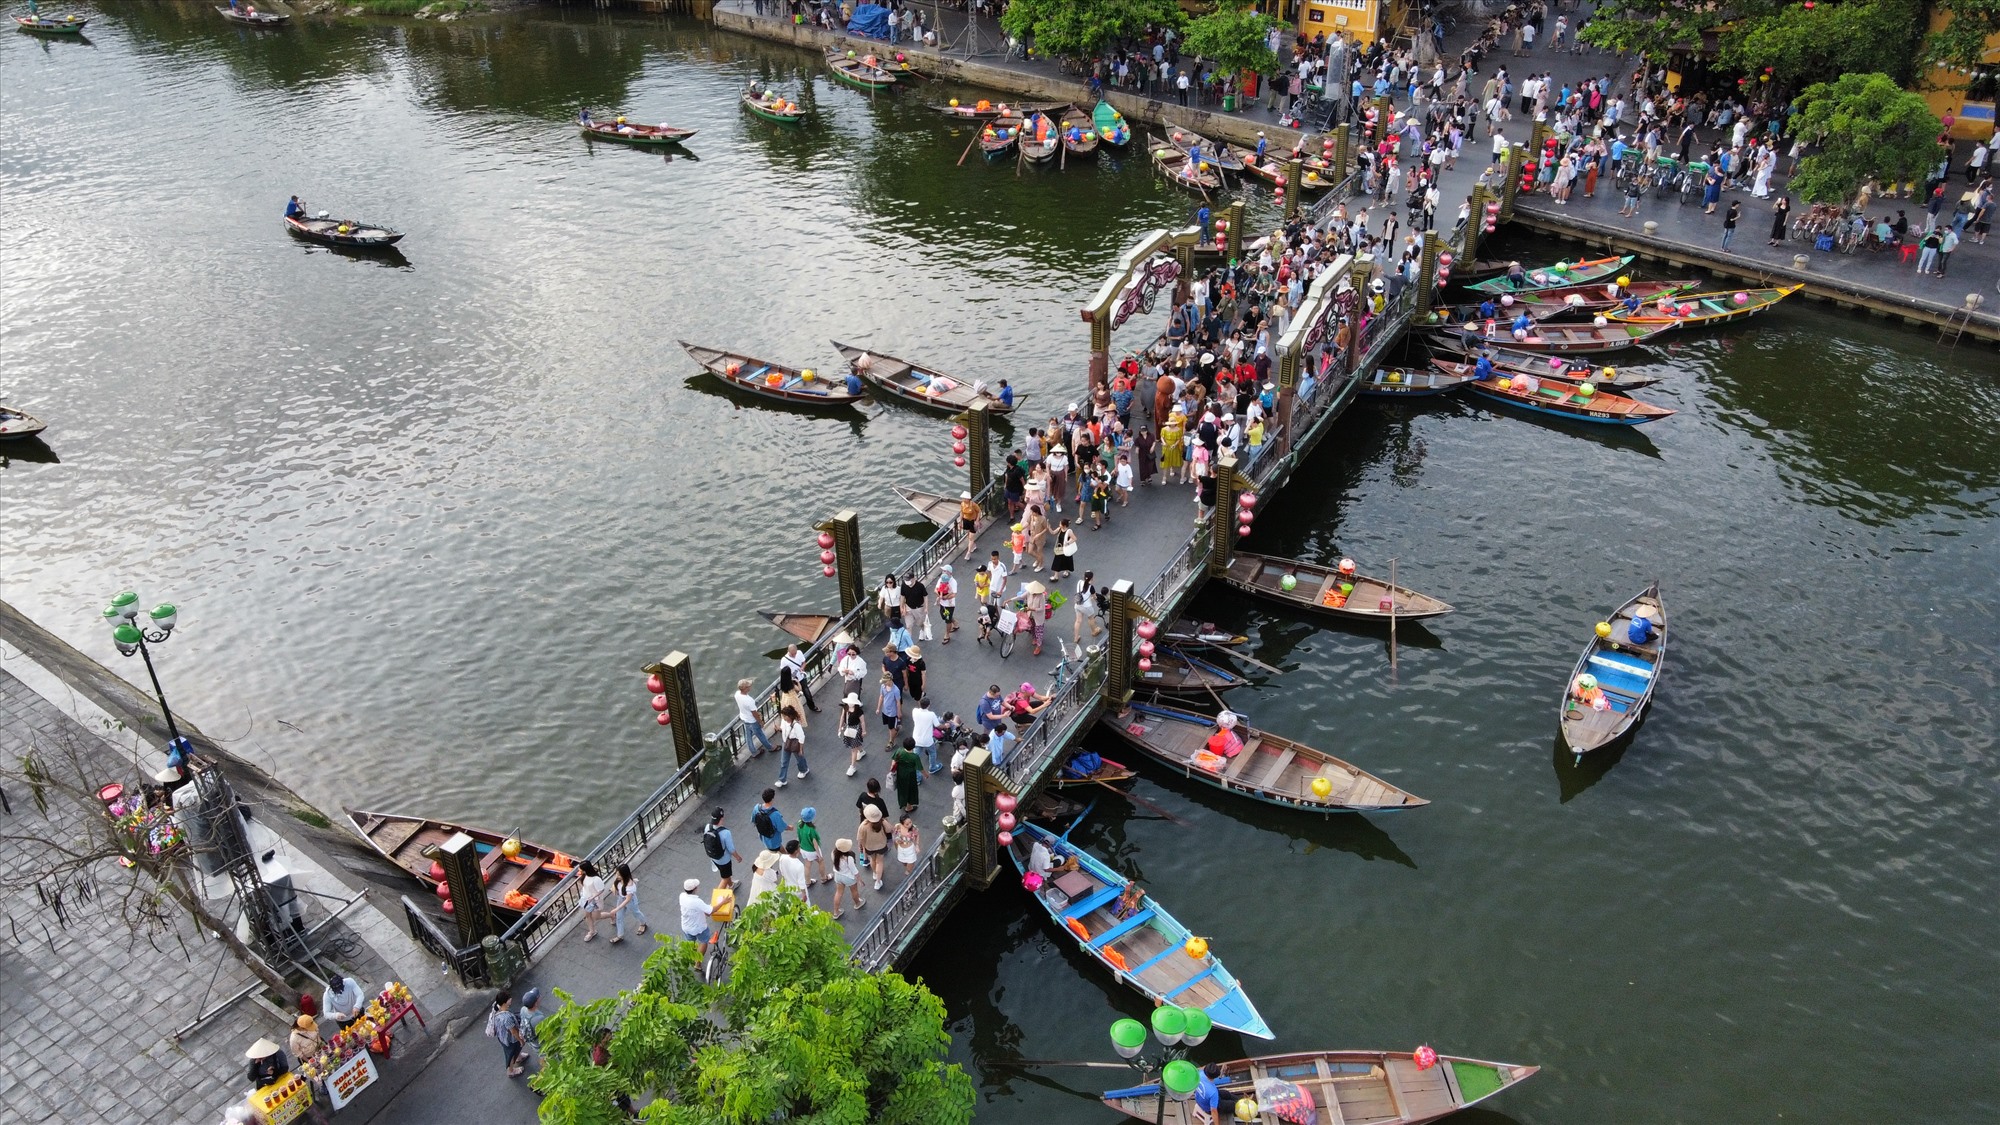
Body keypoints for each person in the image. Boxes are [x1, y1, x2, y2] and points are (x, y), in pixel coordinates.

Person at [487, 993, 525, 1077]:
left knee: (515, 1049)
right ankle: (511, 1071)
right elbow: (513, 1031)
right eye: (508, 999)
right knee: (511, 1054)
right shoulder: (506, 1018)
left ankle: (518, 1057)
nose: (510, 999)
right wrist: (521, 1040)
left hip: (502, 1037)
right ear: (504, 1002)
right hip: (510, 1039)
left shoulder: (497, 1007)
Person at [734, 678, 774, 758]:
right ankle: (770, 747)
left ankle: (754, 752)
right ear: (745, 689)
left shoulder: (737, 694)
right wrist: (760, 722)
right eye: (748, 686)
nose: (750, 686)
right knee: (760, 734)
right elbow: (755, 713)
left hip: (744, 719)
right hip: (752, 721)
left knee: (748, 737)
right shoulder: (749, 701)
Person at [578, 859, 614, 942]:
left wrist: (592, 897)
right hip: (587, 899)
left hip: (595, 901)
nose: (579, 870)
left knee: (597, 916)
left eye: (580, 869)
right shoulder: (585, 876)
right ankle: (592, 931)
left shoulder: (596, 879)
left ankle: (611, 915)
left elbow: (601, 890)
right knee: (588, 916)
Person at [702, 807, 743, 882]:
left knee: (726, 874)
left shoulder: (708, 827)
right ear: (721, 818)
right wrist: (738, 857)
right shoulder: (726, 833)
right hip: (724, 860)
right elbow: (731, 849)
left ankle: (731, 885)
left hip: (714, 858)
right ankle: (719, 893)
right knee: (725, 878)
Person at [610, 862, 647, 943]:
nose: (617, 876)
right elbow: (615, 885)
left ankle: (643, 923)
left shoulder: (630, 886)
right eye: (616, 874)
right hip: (621, 898)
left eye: (619, 875)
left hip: (630, 901)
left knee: (636, 913)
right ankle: (620, 935)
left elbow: (628, 900)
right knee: (619, 917)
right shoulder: (620, 880)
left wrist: (616, 909)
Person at [856, 804, 891, 891]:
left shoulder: (863, 825)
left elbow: (860, 838)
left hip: (869, 846)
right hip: (881, 845)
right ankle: (878, 882)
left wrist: (860, 846)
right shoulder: (882, 821)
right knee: (879, 862)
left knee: (872, 860)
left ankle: (875, 873)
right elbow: (889, 829)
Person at [829, 838, 864, 918]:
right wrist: (859, 879)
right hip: (848, 877)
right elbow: (853, 870)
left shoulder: (833, 853)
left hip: (838, 875)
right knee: (854, 891)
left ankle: (836, 912)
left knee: (838, 893)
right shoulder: (849, 858)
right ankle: (857, 903)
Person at [778, 643, 819, 713]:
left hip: (801, 678)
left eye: (795, 653)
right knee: (792, 697)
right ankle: (793, 712)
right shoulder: (784, 660)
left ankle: (812, 706)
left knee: (807, 693)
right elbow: (783, 672)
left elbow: (804, 662)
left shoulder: (799, 653)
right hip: (792, 681)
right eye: (792, 654)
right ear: (788, 651)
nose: (794, 655)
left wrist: (802, 668)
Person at [776, 703, 808, 787]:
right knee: (784, 762)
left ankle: (804, 770)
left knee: (799, 759)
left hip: (794, 742)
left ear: (789, 716)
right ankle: (782, 779)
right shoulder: (784, 721)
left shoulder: (796, 725)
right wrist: (779, 729)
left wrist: (800, 749)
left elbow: (801, 737)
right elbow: (783, 729)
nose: (783, 718)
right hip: (786, 742)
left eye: (784, 716)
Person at [837, 691, 868, 777]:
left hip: (856, 729)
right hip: (849, 728)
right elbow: (842, 717)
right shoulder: (845, 708)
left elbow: (862, 722)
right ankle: (861, 751)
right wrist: (840, 727)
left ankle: (853, 766)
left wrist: (864, 731)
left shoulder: (859, 711)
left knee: (853, 749)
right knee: (855, 744)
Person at [909, 695, 941, 773]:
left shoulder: (915, 711)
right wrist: (945, 726)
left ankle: (917, 777)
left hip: (916, 739)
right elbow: (938, 725)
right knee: (932, 753)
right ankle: (932, 767)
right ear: (928, 705)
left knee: (916, 758)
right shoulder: (931, 714)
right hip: (928, 741)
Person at [892, 738, 924, 814]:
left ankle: (903, 803)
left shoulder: (899, 751)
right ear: (913, 746)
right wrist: (926, 775)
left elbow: (894, 759)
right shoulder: (914, 757)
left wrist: (892, 767)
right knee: (911, 790)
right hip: (910, 776)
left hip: (900, 773)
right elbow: (920, 768)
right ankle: (909, 807)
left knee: (902, 789)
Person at [679, 877, 714, 943]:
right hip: (698, 928)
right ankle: (700, 954)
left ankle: (692, 953)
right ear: (695, 889)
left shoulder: (682, 896)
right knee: (704, 942)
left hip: (686, 927)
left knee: (691, 944)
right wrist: (723, 902)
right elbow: (710, 911)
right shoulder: (697, 901)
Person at [797, 806, 826, 883]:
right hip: (812, 851)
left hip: (803, 849)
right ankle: (824, 878)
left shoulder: (799, 823)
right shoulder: (811, 829)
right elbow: (815, 843)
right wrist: (819, 855)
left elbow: (798, 835)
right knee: (821, 862)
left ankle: (807, 882)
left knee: (807, 865)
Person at [778, 840, 810, 905]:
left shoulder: (782, 858)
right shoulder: (799, 865)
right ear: (796, 851)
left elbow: (782, 871)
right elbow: (801, 882)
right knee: (805, 905)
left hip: (788, 887)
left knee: (793, 904)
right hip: (798, 890)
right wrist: (804, 894)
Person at [936, 564, 959, 644]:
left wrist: (945, 597)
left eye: (945, 571)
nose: (943, 572)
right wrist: (940, 595)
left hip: (949, 605)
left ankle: (947, 635)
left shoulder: (953, 582)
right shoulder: (941, 579)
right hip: (943, 603)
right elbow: (936, 589)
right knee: (943, 615)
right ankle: (955, 623)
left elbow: (954, 594)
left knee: (947, 619)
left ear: (950, 573)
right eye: (943, 571)